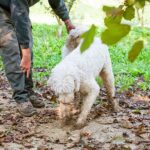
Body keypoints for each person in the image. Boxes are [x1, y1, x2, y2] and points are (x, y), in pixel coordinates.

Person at [0, 0, 75, 117]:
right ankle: (21, 98)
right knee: (12, 49)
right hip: (3, 9)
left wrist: (67, 21)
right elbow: (19, 15)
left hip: (19, 9)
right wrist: (25, 54)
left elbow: (56, 1)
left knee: (28, 47)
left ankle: (28, 91)